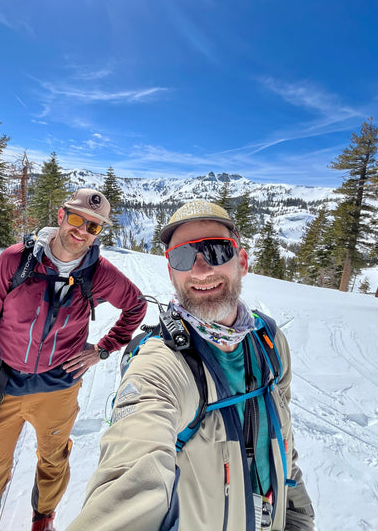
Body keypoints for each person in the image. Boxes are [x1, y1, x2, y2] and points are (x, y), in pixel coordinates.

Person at [65, 200, 315, 531]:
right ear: (171, 272)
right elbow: (130, 470)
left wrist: (297, 516)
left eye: (215, 251)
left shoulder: (269, 342)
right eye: (183, 257)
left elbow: (283, 446)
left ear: (241, 260)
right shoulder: (161, 366)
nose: (200, 269)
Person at [0, 188, 147, 531]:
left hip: (60, 387)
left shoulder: (99, 273)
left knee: (54, 459)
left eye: (93, 227)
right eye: (76, 219)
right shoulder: (16, 262)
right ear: (61, 216)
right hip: (7, 384)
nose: (82, 231)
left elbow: (136, 305)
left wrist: (103, 349)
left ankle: (43, 519)